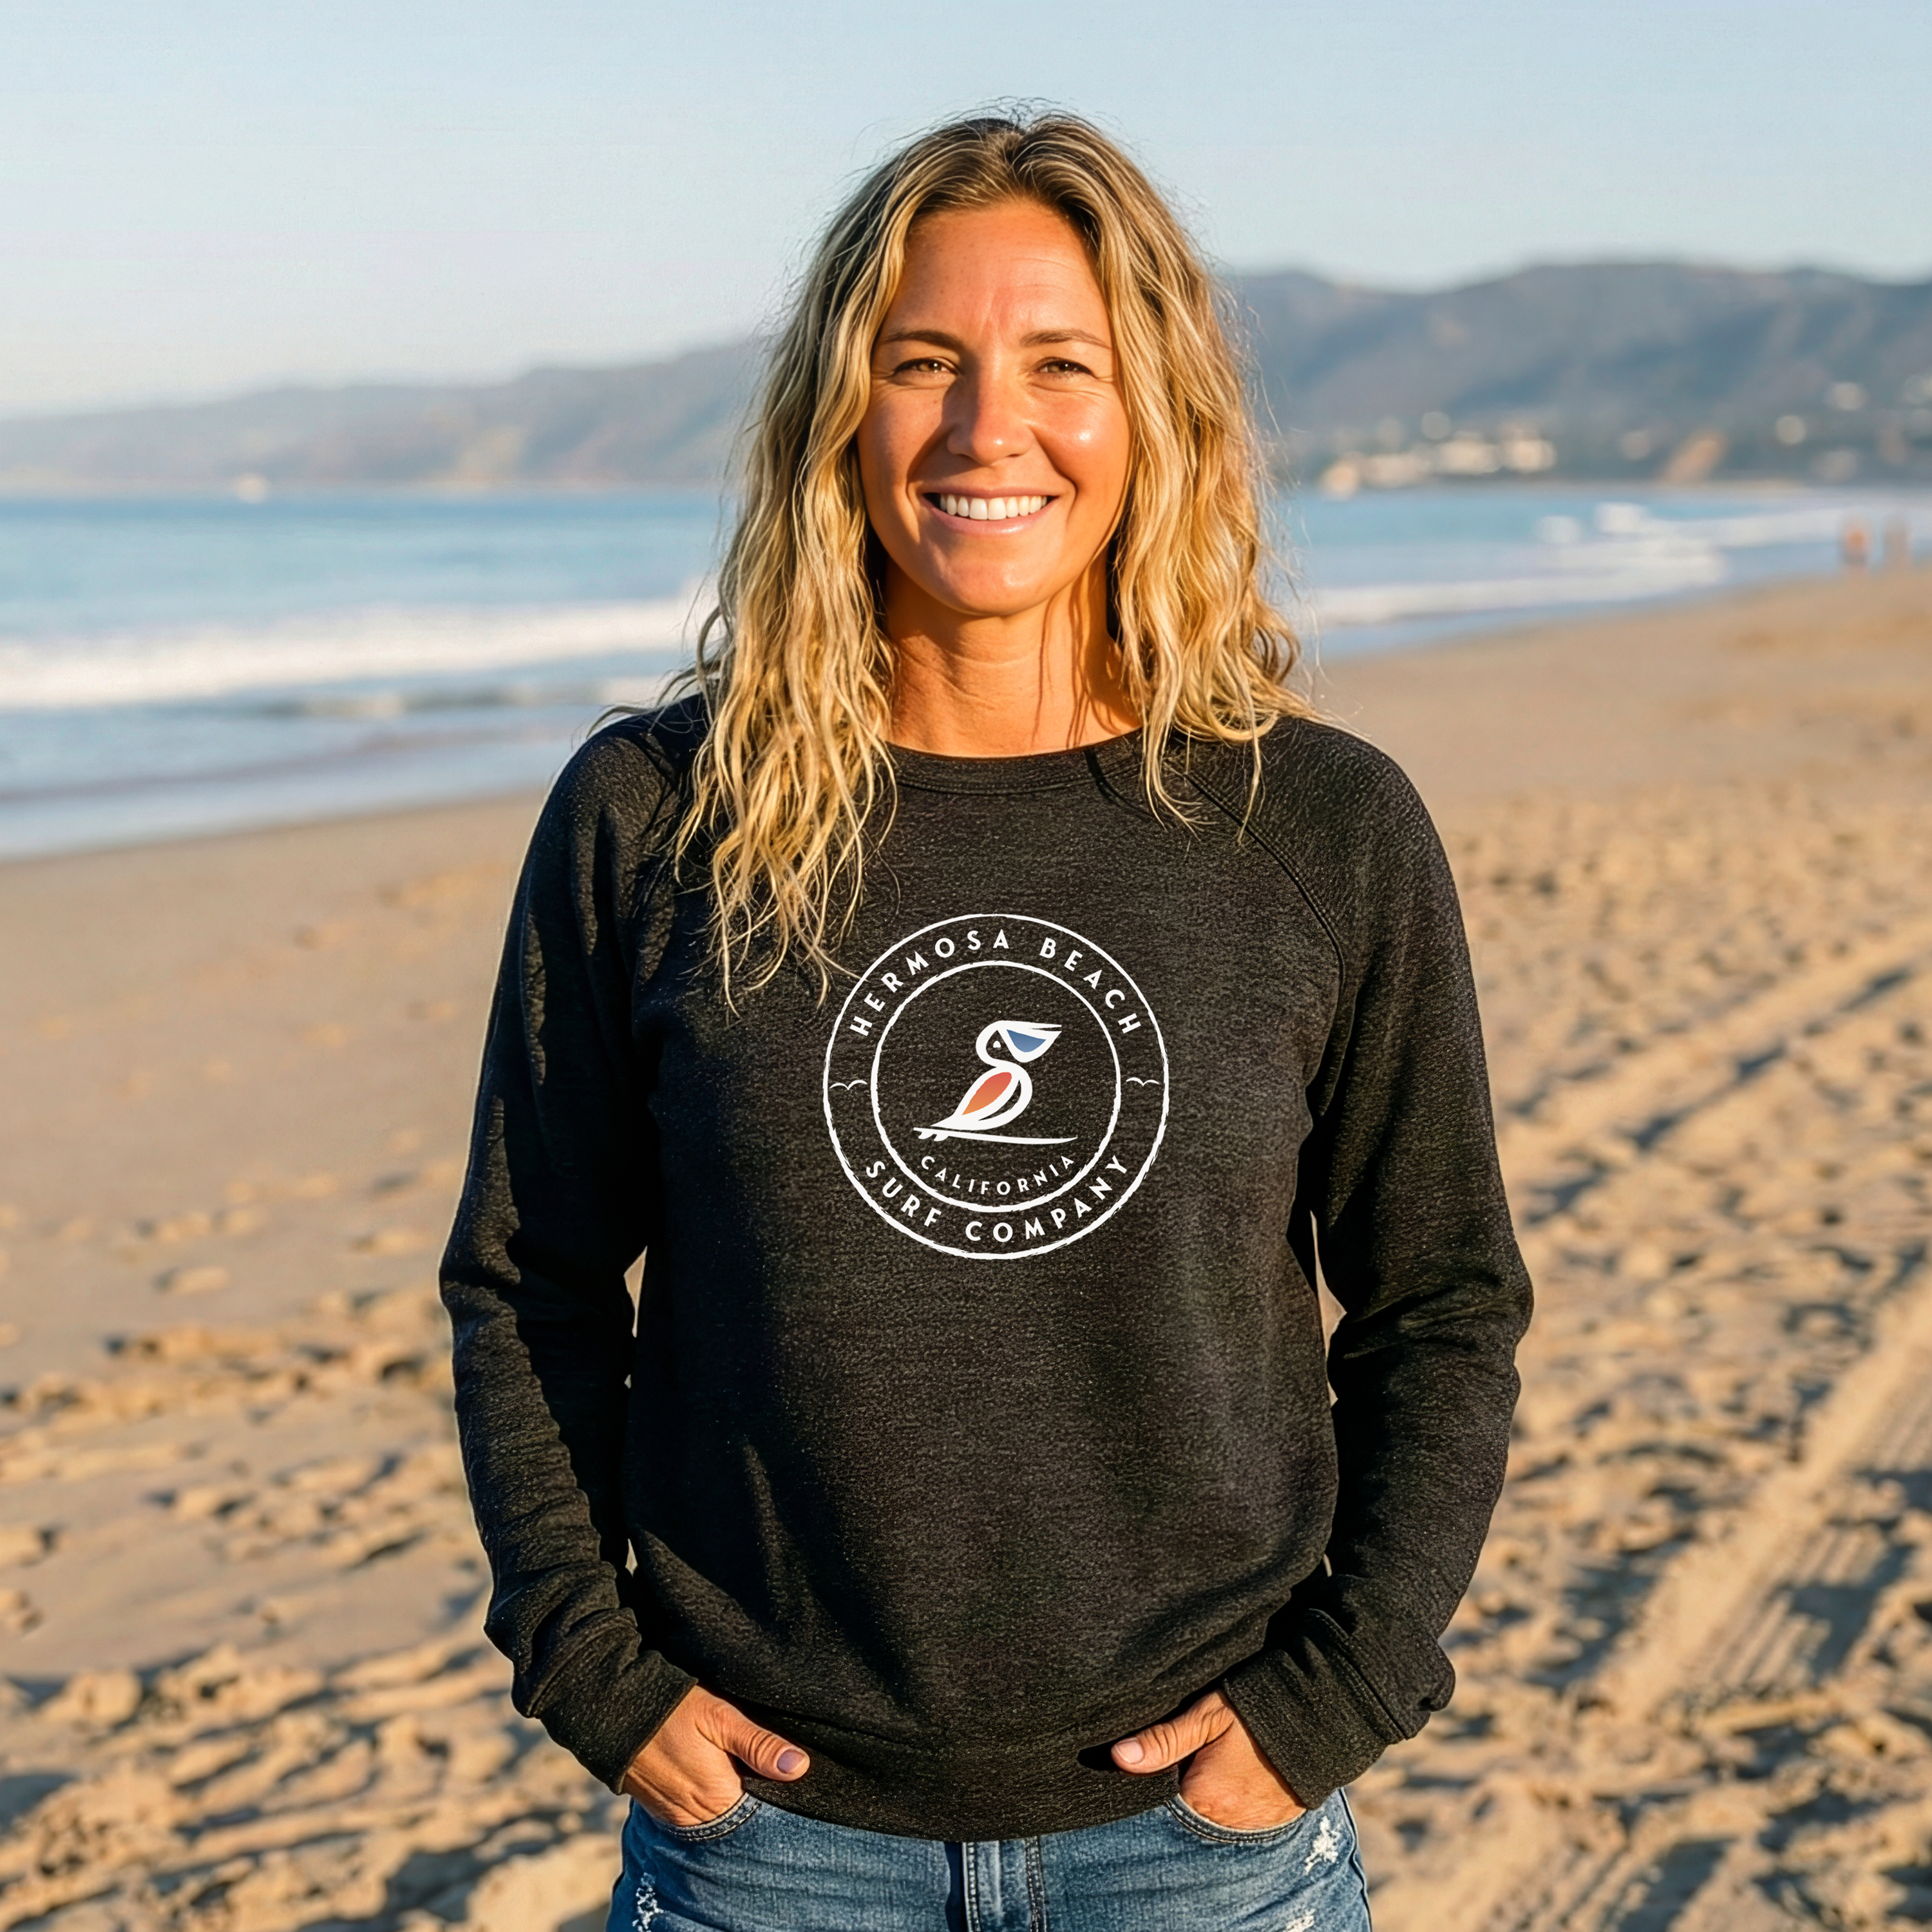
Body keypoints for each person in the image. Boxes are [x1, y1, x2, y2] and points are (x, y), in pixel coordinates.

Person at [442, 110, 1531, 1931]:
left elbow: (1441, 1302)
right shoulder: (656, 814)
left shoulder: (1318, 829)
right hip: (771, 1851)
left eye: (1060, 367)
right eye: (920, 363)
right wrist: (589, 1664)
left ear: (1154, 414)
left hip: (1201, 1849)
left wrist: (1338, 1693)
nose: (984, 430)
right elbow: (528, 1280)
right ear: (837, 412)